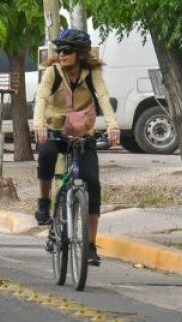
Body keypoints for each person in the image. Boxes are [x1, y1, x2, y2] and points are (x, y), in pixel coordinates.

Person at [33, 28, 120, 267]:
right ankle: (43, 201)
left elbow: (103, 97)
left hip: (82, 133)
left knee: (92, 182)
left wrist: (113, 125)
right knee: (46, 154)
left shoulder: (92, 73)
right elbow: (41, 98)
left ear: (80, 54)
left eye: (68, 50)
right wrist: (38, 124)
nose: (62, 54)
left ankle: (90, 245)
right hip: (54, 129)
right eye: (60, 50)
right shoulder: (52, 72)